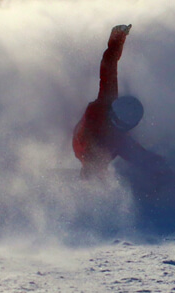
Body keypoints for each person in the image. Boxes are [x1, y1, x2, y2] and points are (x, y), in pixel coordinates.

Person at [72, 24, 168, 180]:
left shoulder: (109, 100)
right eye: (124, 125)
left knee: (130, 148)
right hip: (85, 145)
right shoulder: (100, 139)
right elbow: (89, 152)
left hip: (106, 139)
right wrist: (90, 172)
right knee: (121, 147)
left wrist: (117, 36)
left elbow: (109, 64)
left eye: (128, 126)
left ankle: (158, 167)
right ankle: (156, 169)